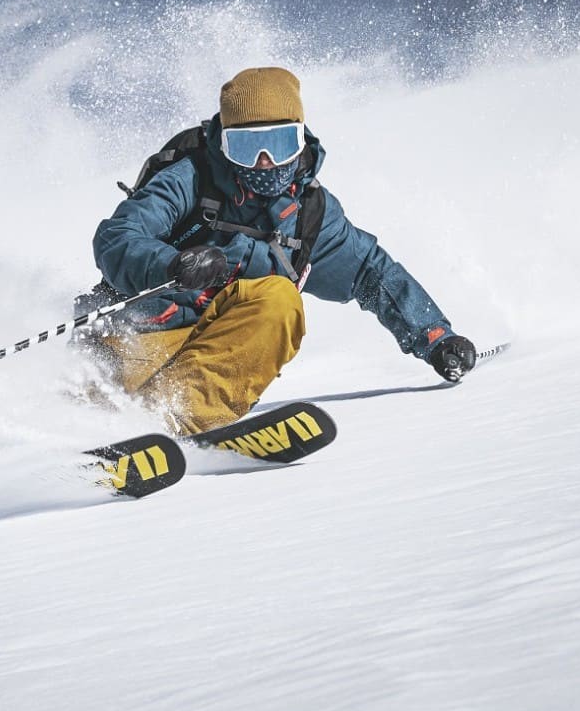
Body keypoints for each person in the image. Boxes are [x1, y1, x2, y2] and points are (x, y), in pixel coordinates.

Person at [88, 65, 478, 435]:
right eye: (246, 147)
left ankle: (177, 417)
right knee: (87, 400)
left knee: (279, 298)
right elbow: (119, 236)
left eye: (277, 143)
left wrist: (437, 337)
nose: (264, 162)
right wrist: (170, 263)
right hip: (138, 334)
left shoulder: (309, 216)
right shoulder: (190, 180)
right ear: (223, 145)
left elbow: (370, 273)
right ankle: (78, 417)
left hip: (209, 357)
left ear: (299, 140)